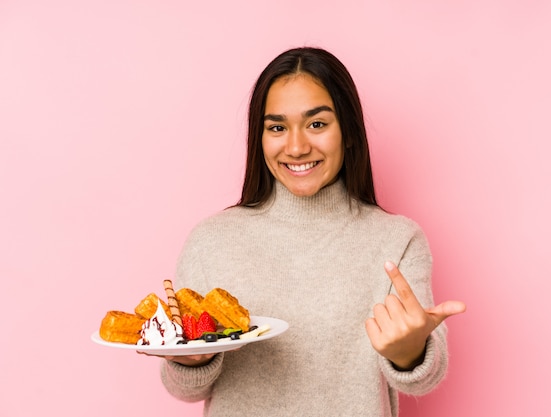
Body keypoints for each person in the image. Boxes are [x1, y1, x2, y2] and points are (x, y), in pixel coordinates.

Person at [158, 46, 466, 417]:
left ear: (348, 133)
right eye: (276, 127)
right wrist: (192, 359)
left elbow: (423, 378)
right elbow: (182, 388)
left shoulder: (397, 241)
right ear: (260, 137)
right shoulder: (211, 241)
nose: (297, 146)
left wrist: (411, 353)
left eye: (317, 124)